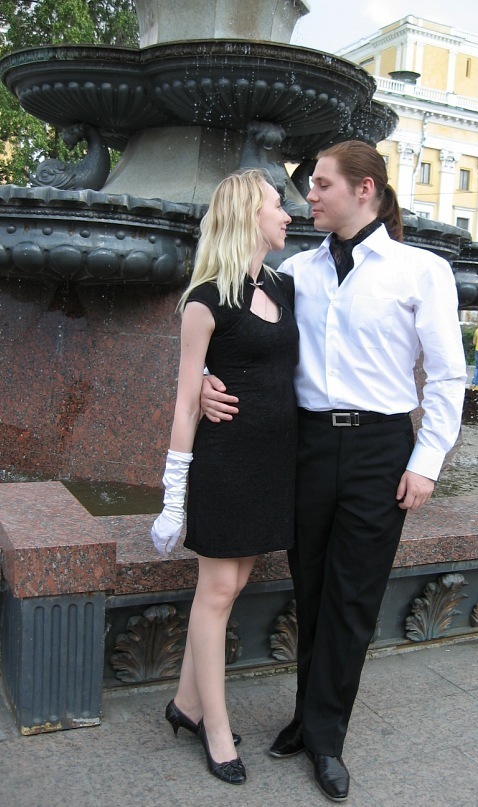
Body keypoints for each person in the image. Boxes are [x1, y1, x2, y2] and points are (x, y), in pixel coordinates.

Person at [200, 140, 467, 802]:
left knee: (353, 597)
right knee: (313, 587)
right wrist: (205, 378)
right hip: (308, 446)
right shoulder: (296, 272)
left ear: (363, 190)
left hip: (381, 449)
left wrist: (427, 460)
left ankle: (324, 736)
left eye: (320, 184)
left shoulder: (421, 270)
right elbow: (235, 329)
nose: (308, 196)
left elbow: (446, 375)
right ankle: (306, 715)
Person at [150, 170, 297, 786]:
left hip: (272, 464)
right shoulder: (205, 300)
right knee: (215, 593)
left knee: (233, 584)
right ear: (247, 216)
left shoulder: (284, 286)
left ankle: (185, 705)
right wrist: (173, 497)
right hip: (226, 465)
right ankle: (214, 728)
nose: (287, 214)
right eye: (276, 205)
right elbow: (187, 403)